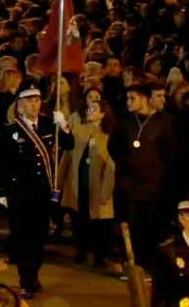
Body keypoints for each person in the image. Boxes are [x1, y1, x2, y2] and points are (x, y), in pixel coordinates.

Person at [0, 87, 73, 299]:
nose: (33, 105)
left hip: (42, 190)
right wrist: (1, 192)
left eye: (37, 100)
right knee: (23, 237)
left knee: (39, 237)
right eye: (28, 101)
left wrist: (63, 126)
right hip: (19, 192)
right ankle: (25, 280)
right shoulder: (10, 131)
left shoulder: (49, 125)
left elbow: (69, 144)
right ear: (20, 105)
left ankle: (34, 275)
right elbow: (2, 164)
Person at [110, 84, 176, 269]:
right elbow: (114, 147)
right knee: (130, 224)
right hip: (129, 184)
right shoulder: (125, 122)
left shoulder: (164, 122)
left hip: (153, 185)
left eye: (133, 98)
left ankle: (148, 263)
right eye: (128, 98)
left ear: (145, 99)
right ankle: (131, 262)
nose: (129, 102)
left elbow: (169, 153)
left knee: (150, 225)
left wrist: (158, 172)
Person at [59, 98, 116, 267]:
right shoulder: (79, 131)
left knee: (99, 223)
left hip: (98, 186)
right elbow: (67, 157)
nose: (89, 111)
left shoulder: (108, 136)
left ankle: (99, 255)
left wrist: (106, 191)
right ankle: (81, 250)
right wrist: (59, 183)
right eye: (88, 108)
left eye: (93, 109)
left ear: (102, 114)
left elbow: (111, 165)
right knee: (80, 218)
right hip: (79, 182)